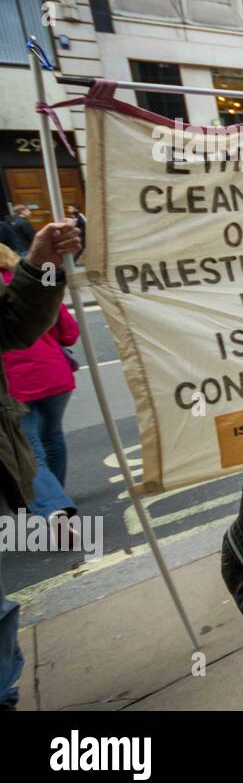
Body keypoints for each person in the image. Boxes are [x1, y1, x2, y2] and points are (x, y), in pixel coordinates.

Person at [0, 218, 80, 709]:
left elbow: (18, 323)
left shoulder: (16, 273)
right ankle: (54, 511)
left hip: (29, 394)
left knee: (40, 450)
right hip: (52, 386)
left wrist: (44, 267)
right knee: (49, 445)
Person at [0, 244, 79, 520]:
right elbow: (68, 332)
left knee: (29, 450)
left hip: (16, 384)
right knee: (53, 435)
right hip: (55, 375)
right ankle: (56, 493)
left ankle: (51, 505)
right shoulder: (34, 282)